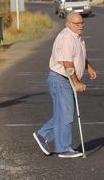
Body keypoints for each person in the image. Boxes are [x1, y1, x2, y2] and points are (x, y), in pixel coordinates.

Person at [33, 12, 97, 158]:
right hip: (61, 79)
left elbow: (79, 56)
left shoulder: (76, 37)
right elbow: (67, 63)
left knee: (63, 114)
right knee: (66, 115)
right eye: (77, 23)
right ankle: (63, 149)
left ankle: (42, 135)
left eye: (82, 23)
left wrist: (89, 67)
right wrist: (76, 82)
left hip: (64, 79)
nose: (80, 26)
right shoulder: (67, 37)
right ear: (68, 23)